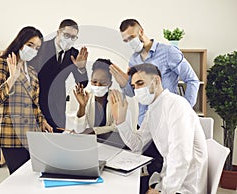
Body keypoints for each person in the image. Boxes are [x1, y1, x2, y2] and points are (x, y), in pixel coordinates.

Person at [110, 18, 200, 182]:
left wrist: (184, 110)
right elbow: (134, 92)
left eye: (131, 37)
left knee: (166, 166)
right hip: (146, 120)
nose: (130, 42)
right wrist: (124, 83)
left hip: (167, 119)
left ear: (141, 32)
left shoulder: (168, 52)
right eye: (126, 41)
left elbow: (192, 80)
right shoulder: (133, 60)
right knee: (150, 170)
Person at [110, 63, 208, 194]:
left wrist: (164, 191)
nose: (137, 90)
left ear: (156, 80)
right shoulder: (152, 109)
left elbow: (180, 156)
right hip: (167, 179)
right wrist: (121, 121)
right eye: (134, 86)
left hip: (185, 186)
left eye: (140, 83)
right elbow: (137, 145)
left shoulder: (176, 104)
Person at [0, 26, 53, 175]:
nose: (33, 50)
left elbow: (34, 103)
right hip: (11, 134)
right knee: (18, 178)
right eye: (30, 45)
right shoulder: (1, 63)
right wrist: (12, 78)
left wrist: (42, 120)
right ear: (20, 42)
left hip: (32, 134)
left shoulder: (32, 72)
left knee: (33, 177)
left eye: (37, 48)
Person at [28, 19, 88, 133]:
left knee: (56, 144)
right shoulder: (41, 48)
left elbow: (82, 84)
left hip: (58, 107)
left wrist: (81, 68)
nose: (69, 39)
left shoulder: (74, 54)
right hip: (37, 103)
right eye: (66, 35)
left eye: (73, 37)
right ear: (58, 32)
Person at [69, 58, 116, 135]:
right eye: (94, 82)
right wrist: (82, 106)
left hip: (112, 143)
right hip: (91, 142)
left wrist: (93, 130)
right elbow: (78, 129)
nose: (98, 85)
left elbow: (116, 127)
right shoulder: (86, 97)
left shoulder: (118, 98)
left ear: (110, 83)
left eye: (102, 82)